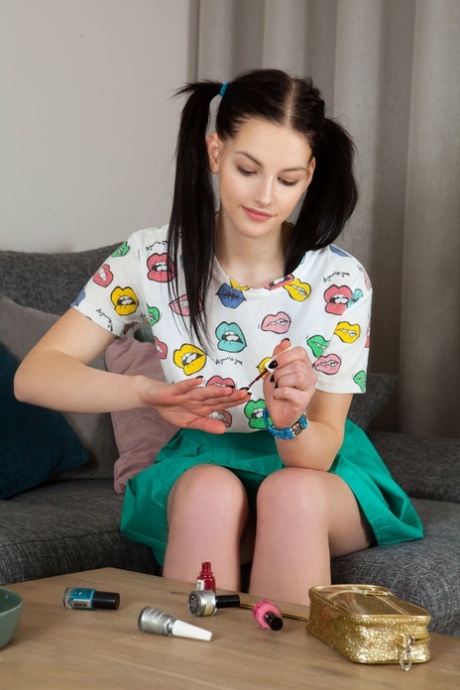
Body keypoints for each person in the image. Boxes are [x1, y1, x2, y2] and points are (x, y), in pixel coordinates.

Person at [15, 69, 423, 606]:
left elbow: (316, 457)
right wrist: (147, 392)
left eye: (288, 179)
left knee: (290, 493)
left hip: (314, 468)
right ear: (215, 152)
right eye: (247, 170)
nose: (265, 197)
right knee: (209, 491)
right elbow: (35, 376)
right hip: (203, 461)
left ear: (309, 175)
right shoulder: (151, 259)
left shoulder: (340, 281)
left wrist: (288, 419)